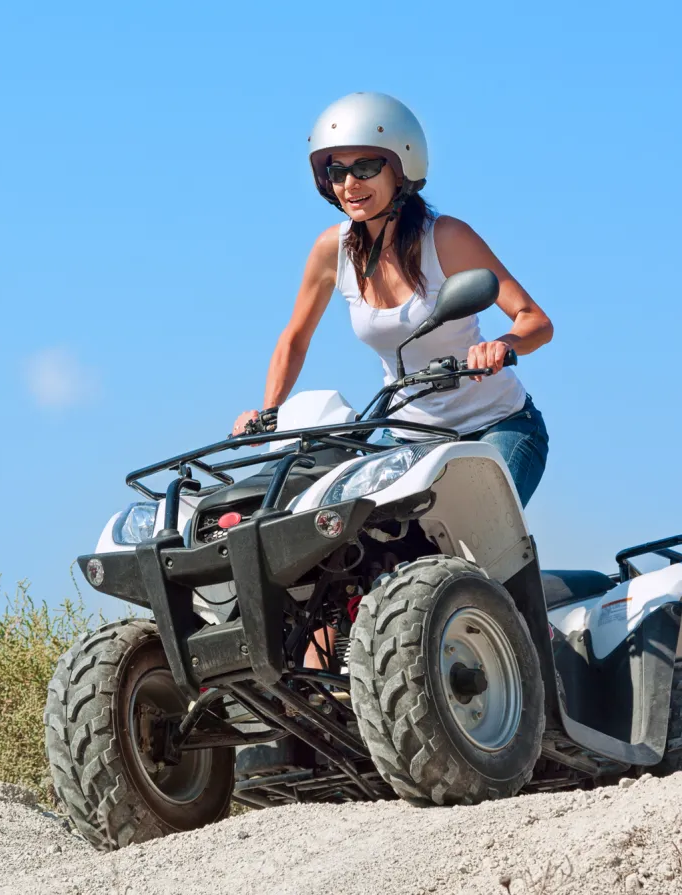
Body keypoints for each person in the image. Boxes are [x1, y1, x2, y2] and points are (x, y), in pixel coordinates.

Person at [231, 92, 553, 666]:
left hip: (494, 428)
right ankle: (324, 689)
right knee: (338, 548)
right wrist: (267, 410)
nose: (349, 184)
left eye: (365, 167)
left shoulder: (444, 238)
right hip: (405, 433)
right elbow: (295, 338)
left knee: (471, 559)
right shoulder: (332, 251)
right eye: (336, 171)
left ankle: (528, 657)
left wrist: (501, 346)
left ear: (402, 166)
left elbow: (535, 321)